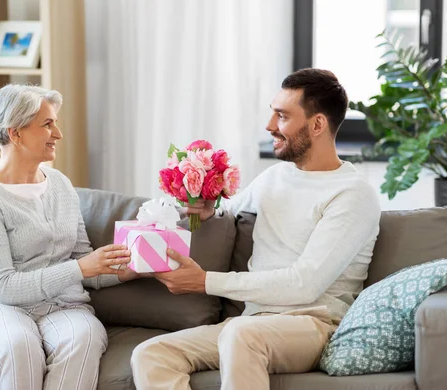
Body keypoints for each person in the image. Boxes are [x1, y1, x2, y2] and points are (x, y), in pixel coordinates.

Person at [131, 68, 382, 390]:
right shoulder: (273, 178)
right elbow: (227, 214)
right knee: (152, 353)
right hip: (252, 323)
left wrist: (204, 281)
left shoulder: (352, 194)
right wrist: (208, 210)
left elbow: (303, 285)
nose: (269, 126)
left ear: (317, 124)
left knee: (241, 334)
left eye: (282, 116)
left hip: (313, 323)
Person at [0, 84, 139, 390]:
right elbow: (1, 287)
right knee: (20, 345)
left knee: (84, 337)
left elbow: (83, 261)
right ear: (16, 134)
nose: (58, 134)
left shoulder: (61, 185)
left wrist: (125, 271)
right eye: (47, 124)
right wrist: (81, 268)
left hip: (59, 305)